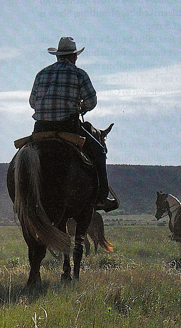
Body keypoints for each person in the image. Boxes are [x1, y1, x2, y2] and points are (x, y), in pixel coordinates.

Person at [29, 36, 118, 212]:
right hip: (68, 126)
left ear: (57, 56)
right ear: (74, 57)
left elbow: (32, 102)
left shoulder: (41, 74)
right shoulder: (79, 74)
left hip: (40, 128)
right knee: (99, 152)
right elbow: (92, 101)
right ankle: (101, 197)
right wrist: (82, 106)